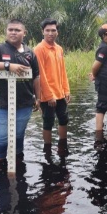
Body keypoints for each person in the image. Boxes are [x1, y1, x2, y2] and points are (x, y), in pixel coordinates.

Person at [0, 19, 41, 173]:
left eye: (17, 30)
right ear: (6, 31)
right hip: (0, 104)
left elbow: (37, 77)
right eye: (10, 29)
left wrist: (38, 98)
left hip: (25, 103)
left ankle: (18, 167)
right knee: (1, 137)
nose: (13, 32)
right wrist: (8, 66)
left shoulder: (30, 53)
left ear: (24, 33)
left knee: (19, 136)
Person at [34, 18, 71, 160]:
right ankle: (47, 151)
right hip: (47, 96)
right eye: (47, 30)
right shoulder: (39, 49)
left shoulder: (59, 49)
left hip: (60, 93)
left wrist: (66, 90)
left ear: (57, 32)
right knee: (48, 121)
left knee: (63, 119)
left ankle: (62, 146)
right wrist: (49, 95)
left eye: (53, 30)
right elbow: (40, 74)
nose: (50, 33)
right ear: (42, 32)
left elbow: (63, 71)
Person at [90, 24, 107, 145]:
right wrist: (95, 75)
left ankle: (100, 130)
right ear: (105, 35)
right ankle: (99, 136)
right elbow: (95, 66)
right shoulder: (104, 48)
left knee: (104, 105)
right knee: (101, 106)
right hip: (104, 82)